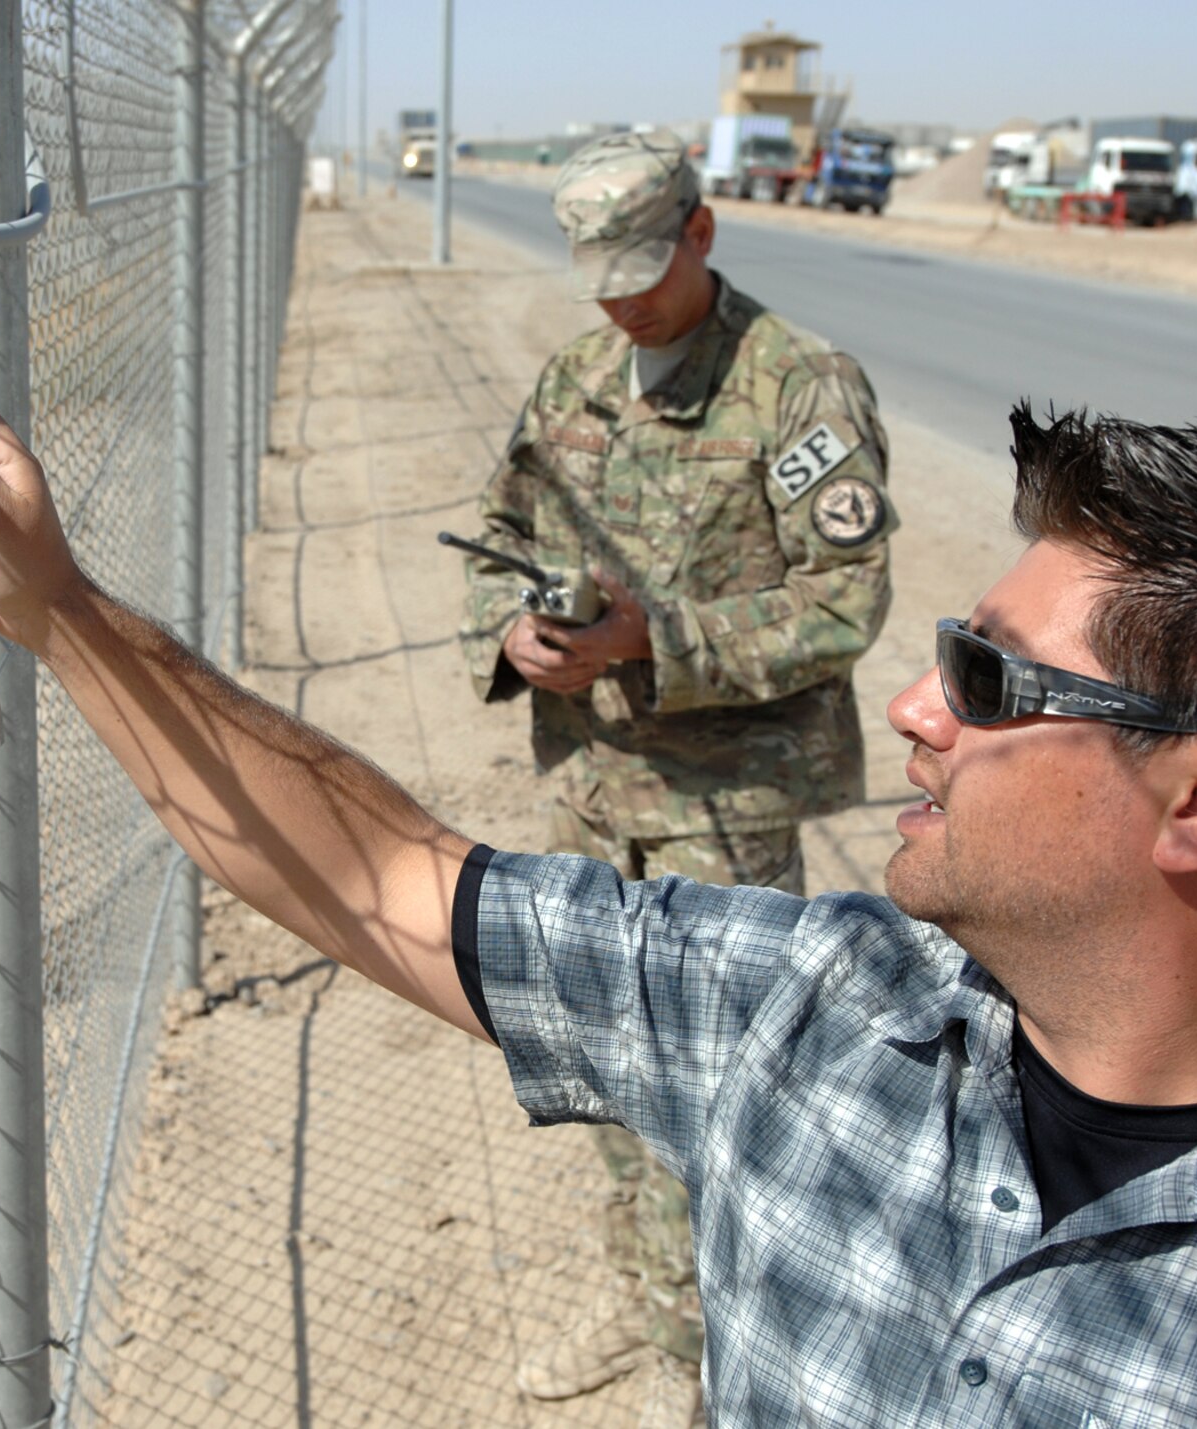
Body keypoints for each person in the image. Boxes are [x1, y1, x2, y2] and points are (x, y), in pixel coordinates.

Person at [0, 397, 1197, 1426]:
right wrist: (62, 609)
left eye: (985, 676)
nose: (916, 708)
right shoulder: (813, 1010)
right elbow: (389, 877)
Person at [454, 130, 894, 1418]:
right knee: (598, 1066)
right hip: (590, 790)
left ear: (701, 234)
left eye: (644, 275)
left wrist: (662, 639)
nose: (623, 307)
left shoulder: (798, 386)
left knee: (722, 1094)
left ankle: (709, 1359)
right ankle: (648, 1306)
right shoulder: (579, 376)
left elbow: (845, 602)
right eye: (601, 281)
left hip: (722, 813)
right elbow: (500, 529)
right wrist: (510, 631)